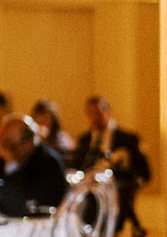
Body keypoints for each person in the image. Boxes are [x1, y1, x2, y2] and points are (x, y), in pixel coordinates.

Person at [71, 95, 151, 224]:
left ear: (108, 111)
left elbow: (144, 173)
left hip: (114, 190)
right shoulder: (84, 140)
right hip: (86, 188)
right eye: (91, 114)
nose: (95, 118)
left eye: (98, 112)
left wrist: (121, 162)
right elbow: (76, 166)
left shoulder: (127, 140)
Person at [0, 113, 68, 216]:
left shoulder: (48, 162)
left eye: (11, 146)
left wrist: (11, 165)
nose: (5, 150)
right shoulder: (11, 159)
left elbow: (25, 201)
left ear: (28, 142)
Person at [31, 100, 74, 164]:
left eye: (46, 118)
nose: (42, 122)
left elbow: (67, 159)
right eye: (38, 119)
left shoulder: (62, 138)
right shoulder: (32, 140)